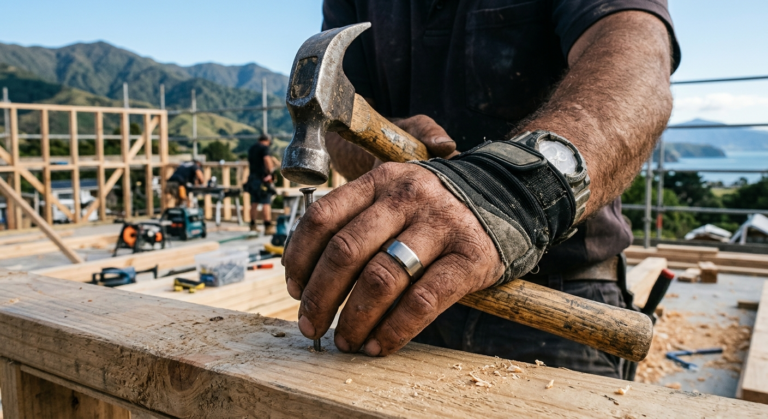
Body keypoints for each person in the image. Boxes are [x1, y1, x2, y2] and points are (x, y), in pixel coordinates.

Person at [284, 0, 680, 380]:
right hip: (406, 282)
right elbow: (336, 125)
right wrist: (378, 144)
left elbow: (637, 61)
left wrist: (516, 189)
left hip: (560, 291)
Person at [247, 134, 277, 234]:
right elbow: (267, 160)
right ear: (268, 141)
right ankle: (267, 227)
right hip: (263, 180)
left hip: (253, 179)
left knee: (254, 202)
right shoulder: (264, 148)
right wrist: (271, 173)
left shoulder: (252, 148)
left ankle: (252, 225)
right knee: (266, 202)